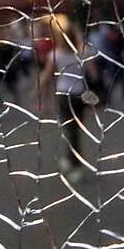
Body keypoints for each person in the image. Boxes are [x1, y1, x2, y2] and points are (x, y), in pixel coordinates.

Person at [41, 21, 92, 182]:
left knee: (71, 130)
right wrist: (77, 33)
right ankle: (70, 160)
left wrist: (38, 93)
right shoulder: (81, 54)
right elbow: (94, 73)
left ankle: (75, 165)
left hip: (64, 95)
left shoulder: (55, 54)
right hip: (80, 95)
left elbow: (45, 77)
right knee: (75, 130)